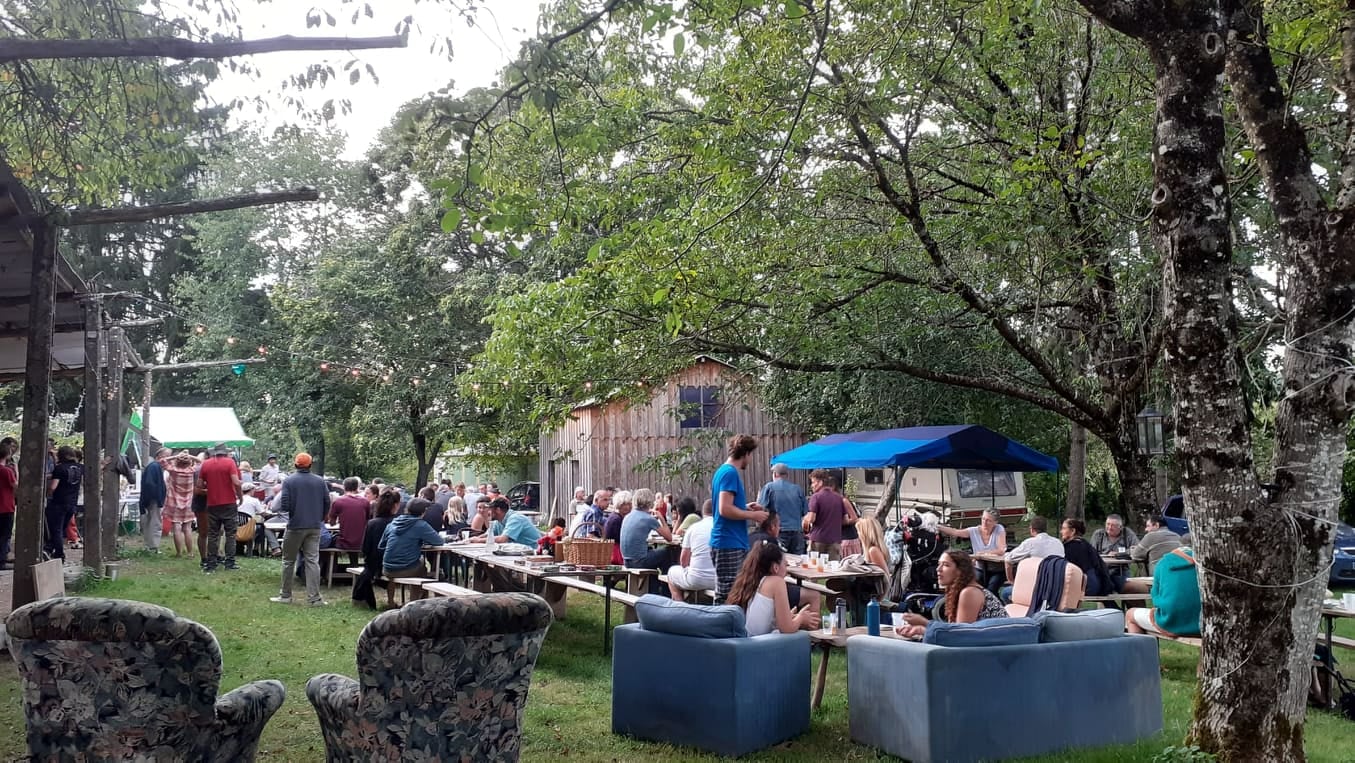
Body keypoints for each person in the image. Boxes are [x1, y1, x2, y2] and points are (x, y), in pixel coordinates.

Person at [710, 434, 767, 604]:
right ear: (746, 454)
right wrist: (753, 515)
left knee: (734, 591)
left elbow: (727, 505)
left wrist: (744, 507)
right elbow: (724, 509)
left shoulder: (723, 471)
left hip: (730, 540)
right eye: (751, 455)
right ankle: (720, 629)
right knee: (728, 594)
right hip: (729, 541)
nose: (750, 460)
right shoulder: (730, 473)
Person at [900, 550, 1008, 636]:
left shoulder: (970, 592)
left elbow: (960, 635)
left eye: (945, 565)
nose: (938, 569)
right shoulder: (962, 590)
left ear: (960, 571)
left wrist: (924, 623)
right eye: (939, 564)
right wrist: (921, 630)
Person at [271, 452, 332, 606]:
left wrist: (294, 513)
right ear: (310, 465)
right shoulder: (319, 481)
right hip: (314, 526)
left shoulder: (289, 481)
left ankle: (285, 596)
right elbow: (327, 501)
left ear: (295, 464)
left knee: (288, 561)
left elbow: (284, 504)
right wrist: (320, 517)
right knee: (312, 561)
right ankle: (314, 598)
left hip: (295, 525)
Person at [727, 540, 821, 636]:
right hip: (755, 643)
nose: (787, 569)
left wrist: (790, 617)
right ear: (776, 567)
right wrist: (801, 618)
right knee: (800, 636)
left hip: (744, 638)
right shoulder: (776, 582)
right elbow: (787, 629)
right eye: (785, 564)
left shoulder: (752, 580)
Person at [1126, 546, 1200, 637]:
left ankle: (1139, 650)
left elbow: (1155, 597)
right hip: (1203, 623)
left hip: (1170, 622)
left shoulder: (1163, 563)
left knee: (1130, 614)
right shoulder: (1207, 562)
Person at [937, 508, 1007, 593]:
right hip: (980, 568)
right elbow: (955, 532)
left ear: (995, 522)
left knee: (991, 590)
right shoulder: (974, 530)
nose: (984, 522)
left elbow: (1001, 550)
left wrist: (982, 553)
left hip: (997, 569)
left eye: (988, 521)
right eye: (983, 519)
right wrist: (938, 527)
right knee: (971, 586)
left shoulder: (999, 529)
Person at [196, 444, 242, 573]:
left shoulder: (206, 464)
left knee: (213, 534)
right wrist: (240, 496)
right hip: (229, 502)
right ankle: (230, 563)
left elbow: (199, 485)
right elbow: (236, 482)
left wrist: (211, 486)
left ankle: (211, 564)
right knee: (230, 534)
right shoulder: (230, 463)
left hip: (212, 503)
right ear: (225, 452)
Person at [620, 488, 675, 590]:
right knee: (668, 552)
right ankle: (667, 589)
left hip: (626, 560)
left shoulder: (628, 516)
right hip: (639, 561)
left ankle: (654, 588)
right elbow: (669, 537)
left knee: (653, 554)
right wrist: (662, 518)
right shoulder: (647, 518)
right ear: (649, 502)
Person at [353, 489, 400, 609]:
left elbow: (365, 548)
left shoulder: (372, 523)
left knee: (367, 570)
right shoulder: (399, 523)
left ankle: (361, 599)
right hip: (395, 562)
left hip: (374, 564)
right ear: (396, 505)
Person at [379, 497, 445, 579]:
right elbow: (439, 541)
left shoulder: (393, 523)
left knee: (418, 562)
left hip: (387, 568)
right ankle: (420, 591)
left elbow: (381, 546)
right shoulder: (420, 525)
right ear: (423, 512)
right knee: (421, 563)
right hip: (406, 569)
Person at [667, 501, 717, 601]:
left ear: (703, 513)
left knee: (671, 573)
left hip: (696, 579)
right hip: (720, 579)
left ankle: (680, 608)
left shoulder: (693, 528)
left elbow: (683, 561)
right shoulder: (724, 528)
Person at [758, 463, 808, 555]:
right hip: (797, 532)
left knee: (780, 559)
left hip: (779, 531)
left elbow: (760, 508)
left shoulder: (769, 487)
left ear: (775, 474)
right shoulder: (797, 489)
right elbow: (805, 511)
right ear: (787, 475)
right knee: (798, 562)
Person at [1060, 518, 1118, 597]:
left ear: (1073, 531)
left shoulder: (1070, 548)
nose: (1061, 532)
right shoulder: (1085, 544)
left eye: (1063, 528)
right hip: (1100, 586)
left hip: (1088, 588)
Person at [44, 446, 82, 561]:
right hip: (72, 503)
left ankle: (59, 554)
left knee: (56, 530)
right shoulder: (79, 467)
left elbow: (53, 486)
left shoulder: (60, 469)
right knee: (62, 529)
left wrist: (48, 494)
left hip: (59, 503)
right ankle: (49, 549)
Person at [1002, 515, 1064, 584]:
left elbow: (1008, 560)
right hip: (1057, 582)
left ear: (1031, 529)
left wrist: (1011, 581)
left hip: (1038, 584)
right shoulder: (1058, 542)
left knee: (1005, 592)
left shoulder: (1030, 543)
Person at [803, 469, 847, 561]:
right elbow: (845, 520)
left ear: (820, 482)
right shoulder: (839, 498)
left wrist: (805, 518)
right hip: (835, 540)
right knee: (833, 570)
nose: (812, 485)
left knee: (816, 569)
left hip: (818, 539)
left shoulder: (816, 497)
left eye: (813, 482)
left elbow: (811, 519)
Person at [162, 451, 199, 557]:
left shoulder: (173, 470)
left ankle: (178, 553)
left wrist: (176, 456)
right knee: (187, 528)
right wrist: (190, 456)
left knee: (176, 528)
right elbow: (200, 461)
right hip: (188, 503)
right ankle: (190, 552)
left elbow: (162, 461)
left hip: (174, 502)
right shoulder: (191, 470)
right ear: (189, 463)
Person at [472, 495, 543, 548]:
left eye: (490, 509)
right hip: (518, 553)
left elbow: (502, 539)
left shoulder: (515, 519)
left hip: (533, 552)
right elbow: (488, 535)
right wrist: (471, 540)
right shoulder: (498, 521)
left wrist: (478, 540)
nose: (488, 512)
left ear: (498, 510)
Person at [328, 477, 371, 556]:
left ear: (344, 487)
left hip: (344, 543)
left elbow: (331, 523)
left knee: (327, 542)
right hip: (361, 542)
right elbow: (367, 519)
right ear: (357, 487)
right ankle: (353, 565)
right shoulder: (365, 502)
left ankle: (331, 567)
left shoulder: (338, 501)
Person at [138, 448, 168, 553]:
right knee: (155, 523)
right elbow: (149, 484)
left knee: (150, 522)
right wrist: (156, 497)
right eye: (167, 457)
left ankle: (149, 545)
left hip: (151, 499)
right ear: (160, 456)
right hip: (153, 500)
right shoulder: (154, 467)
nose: (168, 461)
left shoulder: (154, 467)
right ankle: (153, 547)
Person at [0, 438, 17, 570]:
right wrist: (16, 470)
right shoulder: (7, 471)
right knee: (5, 535)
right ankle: (2, 561)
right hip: (6, 506)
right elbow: (15, 486)